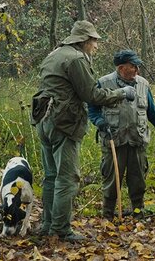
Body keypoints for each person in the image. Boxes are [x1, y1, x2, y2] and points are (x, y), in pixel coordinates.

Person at [30, 21, 136, 242]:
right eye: (94, 41)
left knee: (51, 176)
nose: (96, 46)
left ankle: (48, 225)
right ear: (85, 41)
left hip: (44, 120)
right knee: (67, 178)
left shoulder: (55, 53)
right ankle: (60, 230)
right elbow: (92, 95)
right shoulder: (76, 58)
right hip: (63, 123)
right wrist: (122, 93)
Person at [88, 50, 155, 220]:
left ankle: (138, 213)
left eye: (138, 66)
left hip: (137, 141)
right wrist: (100, 122)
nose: (137, 69)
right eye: (133, 66)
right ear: (121, 68)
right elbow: (92, 109)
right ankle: (107, 216)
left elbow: (152, 113)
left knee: (138, 182)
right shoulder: (104, 83)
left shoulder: (143, 85)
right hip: (114, 141)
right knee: (111, 182)